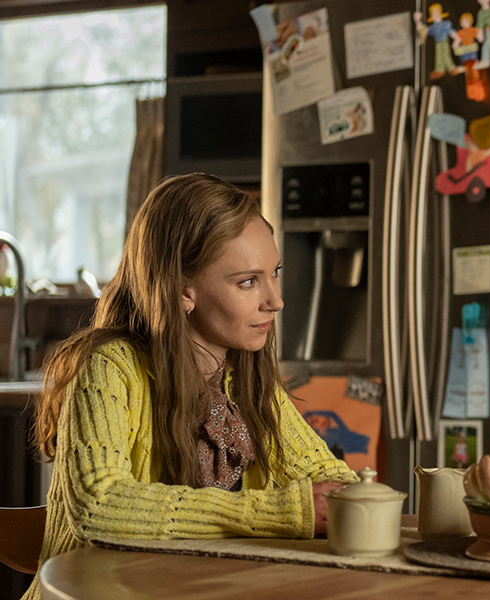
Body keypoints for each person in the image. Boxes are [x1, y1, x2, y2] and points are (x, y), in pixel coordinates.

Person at [24, 174, 358, 600]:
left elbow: (331, 480)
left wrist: (344, 499)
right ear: (184, 290)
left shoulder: (244, 377)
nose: (275, 300)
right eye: (248, 281)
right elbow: (101, 506)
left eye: (273, 273)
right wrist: (282, 512)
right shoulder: (108, 370)